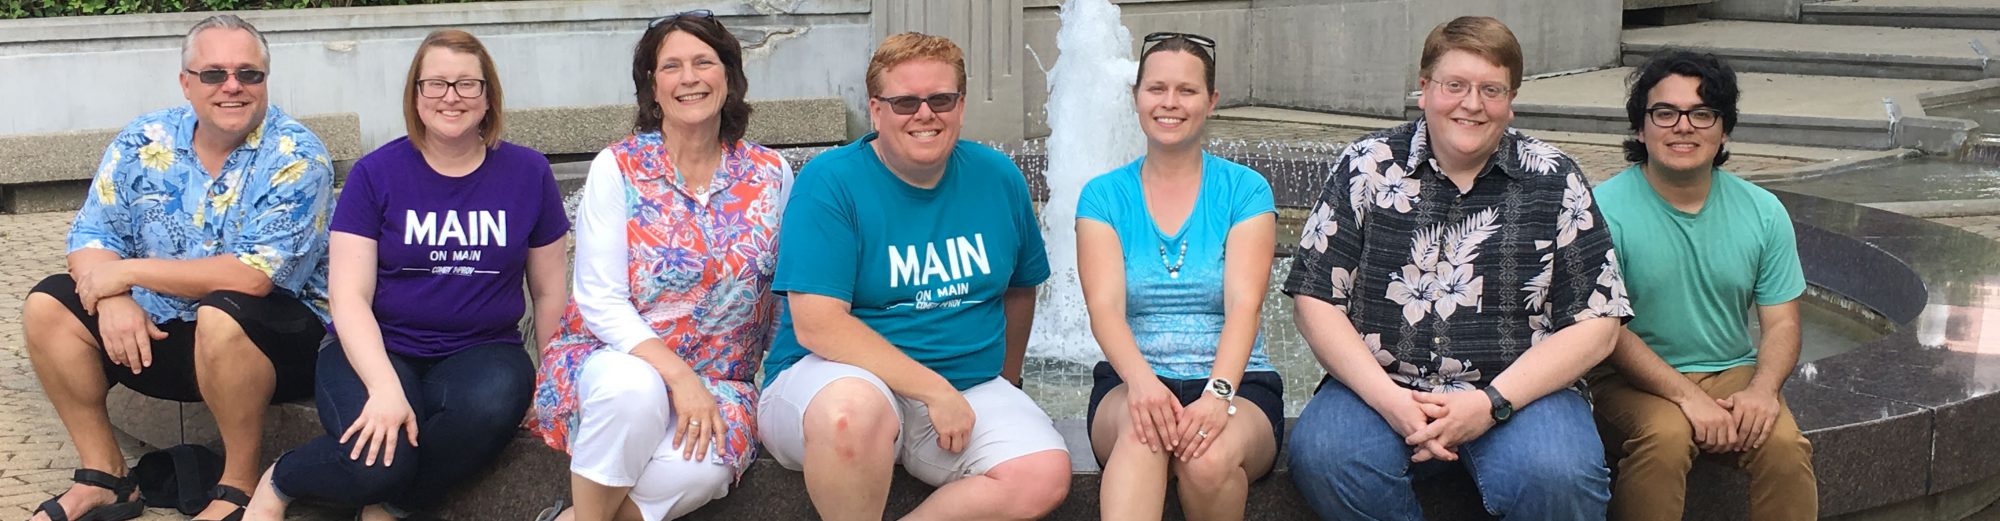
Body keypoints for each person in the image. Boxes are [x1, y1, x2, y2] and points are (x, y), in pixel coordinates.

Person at [1281, 16, 1633, 520]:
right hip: (1381, 385)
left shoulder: (1554, 177)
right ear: (1424, 89)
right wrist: (1390, 401)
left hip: (1520, 394)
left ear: (1511, 101)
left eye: (1491, 89)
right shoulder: (1366, 166)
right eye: (1455, 86)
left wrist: (1491, 403)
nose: (1472, 103)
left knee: (1560, 477)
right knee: (1326, 455)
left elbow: (1598, 323)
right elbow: (1315, 300)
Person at [237, 29, 568, 521]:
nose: (450, 97)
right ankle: (282, 478)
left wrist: (555, 382)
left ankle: (390, 506)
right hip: (377, 344)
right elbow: (348, 296)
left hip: (482, 351)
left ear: (488, 96)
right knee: (378, 458)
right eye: (435, 84)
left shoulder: (529, 173)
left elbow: (549, 289)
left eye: (467, 84)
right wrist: (384, 386)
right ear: (415, 95)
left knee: (492, 404)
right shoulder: (376, 173)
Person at [22, 14, 334, 521]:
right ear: (186, 83)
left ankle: (237, 489)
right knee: (47, 305)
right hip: (157, 333)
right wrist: (113, 298)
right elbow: (92, 234)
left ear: (265, 81)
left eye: (248, 74)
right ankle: (105, 478)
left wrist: (128, 275)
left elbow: (253, 276)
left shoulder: (297, 156)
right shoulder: (143, 139)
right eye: (213, 74)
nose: (232, 86)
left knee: (222, 311)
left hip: (273, 343)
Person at [756, 32, 1071, 521]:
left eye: (940, 99)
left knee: (1041, 474)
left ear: (960, 105)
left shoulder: (998, 177)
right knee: (854, 414)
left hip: (966, 386)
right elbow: (818, 324)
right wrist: (932, 389)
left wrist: (1007, 380)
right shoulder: (831, 182)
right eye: (905, 102)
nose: (925, 115)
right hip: (830, 383)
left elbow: (1019, 288)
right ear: (876, 110)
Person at [527, 10, 793, 521]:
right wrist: (678, 378)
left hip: (720, 383)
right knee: (635, 389)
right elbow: (601, 299)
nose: (689, 78)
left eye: (704, 62)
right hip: (615, 363)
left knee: (700, 471)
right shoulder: (618, 168)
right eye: (671, 66)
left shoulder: (770, 173)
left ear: (729, 77)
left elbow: (781, 294)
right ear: (652, 87)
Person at [1589, 49, 1818, 521]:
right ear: (1640, 127)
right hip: (1626, 380)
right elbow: (1608, 332)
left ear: (1724, 128)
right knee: (1666, 438)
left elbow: (1782, 324)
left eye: (1702, 114)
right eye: (1665, 113)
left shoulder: (1763, 211)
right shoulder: (1600, 212)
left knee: (1783, 445)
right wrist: (1688, 397)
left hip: (1731, 370)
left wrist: (1763, 391)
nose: (1683, 127)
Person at [1076, 31, 1281, 521]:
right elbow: (1104, 308)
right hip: (1130, 382)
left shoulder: (1245, 190)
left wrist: (1218, 394)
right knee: (1142, 432)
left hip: (1238, 385)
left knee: (1207, 458)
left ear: (1211, 101)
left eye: (1187, 90)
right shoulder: (1103, 196)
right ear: (1137, 97)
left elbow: (1245, 305)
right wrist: (1143, 385)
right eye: (1157, 88)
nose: (1170, 102)